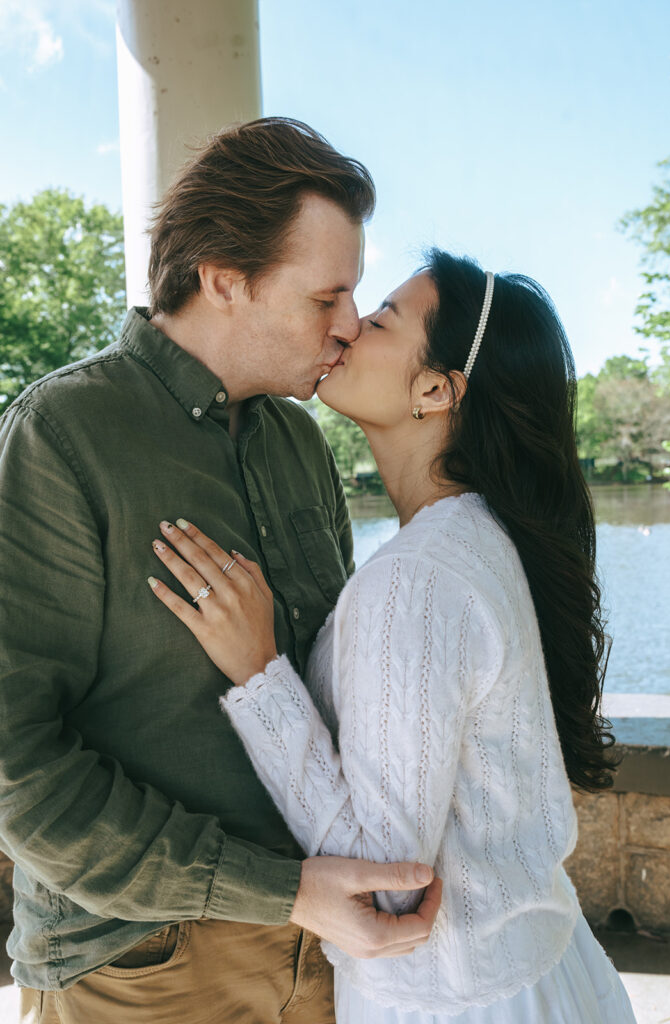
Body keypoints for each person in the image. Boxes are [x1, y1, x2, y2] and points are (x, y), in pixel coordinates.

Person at [0, 118, 442, 1024]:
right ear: (224, 280)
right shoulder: (60, 436)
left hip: (327, 945)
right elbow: (16, 763)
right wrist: (271, 888)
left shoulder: (297, 443)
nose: (351, 325)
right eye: (327, 297)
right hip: (138, 964)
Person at [147, 251, 638, 1023]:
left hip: (450, 996)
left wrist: (258, 670)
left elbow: (387, 880)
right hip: (535, 968)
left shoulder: (418, 579)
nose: (345, 327)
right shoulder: (477, 538)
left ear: (435, 389)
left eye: (378, 321)